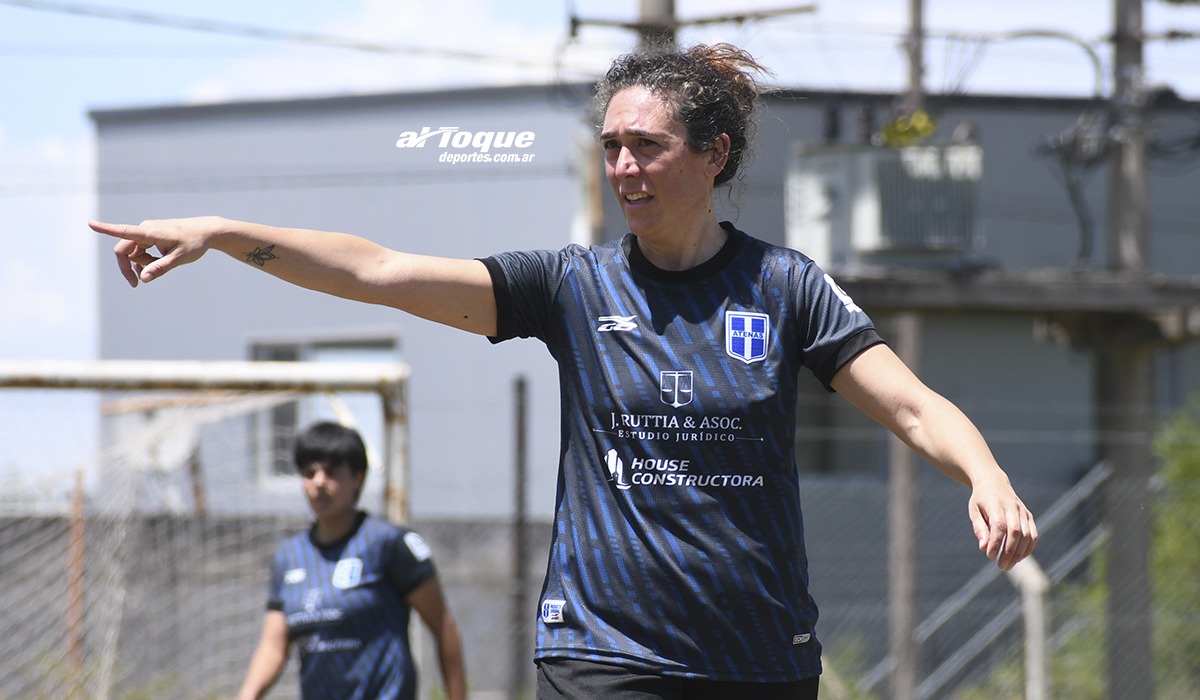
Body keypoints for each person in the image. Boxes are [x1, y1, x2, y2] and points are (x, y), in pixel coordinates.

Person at [94, 42, 1037, 700]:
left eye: (649, 148)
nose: (624, 167)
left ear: (714, 157)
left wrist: (986, 473)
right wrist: (221, 233)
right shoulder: (569, 288)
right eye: (613, 147)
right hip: (602, 653)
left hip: (759, 654)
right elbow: (379, 270)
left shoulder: (783, 287)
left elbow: (912, 407)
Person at [235, 421, 466, 700]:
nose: (319, 482)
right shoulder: (289, 555)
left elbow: (443, 627)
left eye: (331, 473)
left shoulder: (388, 543)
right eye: (310, 473)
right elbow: (273, 646)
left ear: (357, 478)